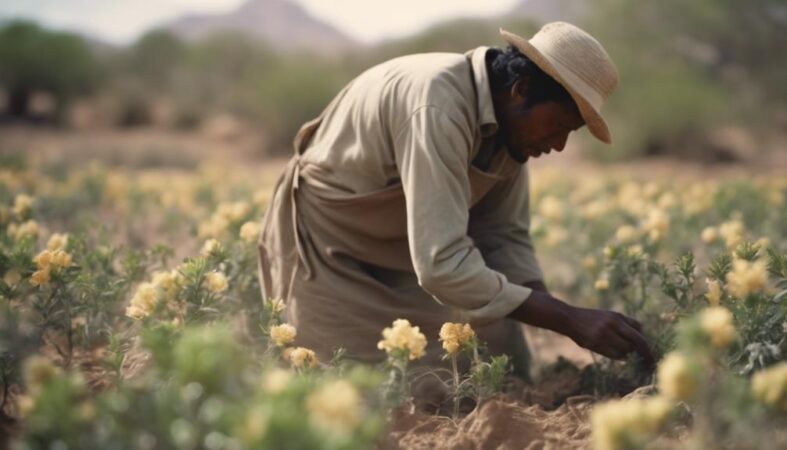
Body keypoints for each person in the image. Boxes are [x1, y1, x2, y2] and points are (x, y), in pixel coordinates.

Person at [257, 22, 655, 382]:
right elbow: (441, 265)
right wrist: (569, 319)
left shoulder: (511, 130)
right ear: (521, 91)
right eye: (559, 125)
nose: (559, 145)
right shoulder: (439, 106)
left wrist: (559, 315)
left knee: (500, 369)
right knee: (351, 385)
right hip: (330, 245)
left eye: (572, 133)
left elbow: (504, 236)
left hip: (406, 249)